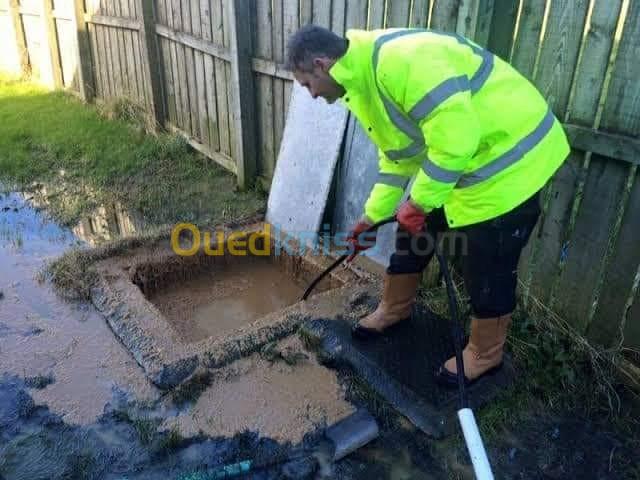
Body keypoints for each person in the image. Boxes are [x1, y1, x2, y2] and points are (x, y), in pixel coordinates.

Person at [286, 25, 569, 386]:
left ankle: (485, 354)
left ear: (322, 65)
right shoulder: (363, 81)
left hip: (511, 162)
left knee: (488, 262)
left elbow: (456, 141)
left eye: (307, 85)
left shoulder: (401, 61)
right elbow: (397, 159)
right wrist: (371, 219)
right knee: (412, 231)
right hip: (463, 163)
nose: (309, 95)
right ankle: (396, 308)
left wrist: (419, 201)